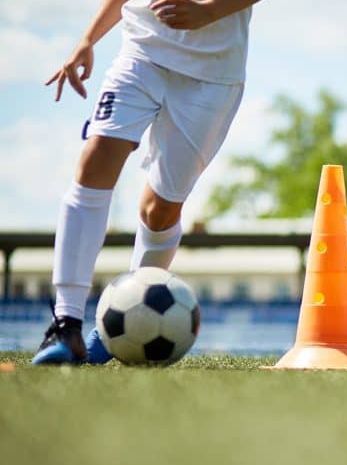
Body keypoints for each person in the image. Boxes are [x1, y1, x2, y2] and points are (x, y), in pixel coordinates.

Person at [34, 0, 259, 364]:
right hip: (142, 54)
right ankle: (66, 325)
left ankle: (118, 328)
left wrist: (209, 11)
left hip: (213, 74)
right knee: (95, 161)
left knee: (159, 209)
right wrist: (88, 39)